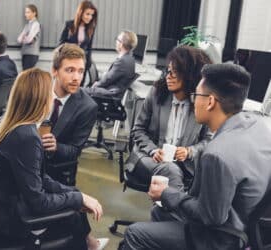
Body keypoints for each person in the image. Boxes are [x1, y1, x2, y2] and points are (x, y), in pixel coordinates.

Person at [0, 68, 108, 250]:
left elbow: (38, 176)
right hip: (9, 220)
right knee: (74, 213)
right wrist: (76, 199)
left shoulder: (11, 122)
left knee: (73, 195)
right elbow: (38, 203)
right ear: (42, 99)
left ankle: (89, 243)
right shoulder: (26, 137)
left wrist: (76, 195)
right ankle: (88, 245)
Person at [122, 63, 271, 250]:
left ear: (210, 102)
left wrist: (166, 193)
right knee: (160, 213)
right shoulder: (259, 127)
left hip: (219, 239)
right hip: (248, 226)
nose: (193, 101)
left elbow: (209, 217)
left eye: (196, 95)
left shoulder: (216, 154)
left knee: (134, 234)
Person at [0, 43, 97, 186]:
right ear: (55, 70)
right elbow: (5, 121)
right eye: (70, 70)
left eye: (81, 71)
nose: (77, 78)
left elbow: (75, 151)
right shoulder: (37, 89)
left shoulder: (87, 107)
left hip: (52, 173)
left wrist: (56, 147)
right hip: (20, 165)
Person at [125, 45, 212, 190]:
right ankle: (174, 208)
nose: (169, 76)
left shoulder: (201, 103)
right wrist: (153, 150)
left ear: (190, 74)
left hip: (185, 164)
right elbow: (138, 130)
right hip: (148, 157)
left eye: (175, 72)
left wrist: (189, 151)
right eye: (168, 70)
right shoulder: (156, 93)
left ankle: (165, 209)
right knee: (170, 171)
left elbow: (208, 140)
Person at [84, 30, 137, 98]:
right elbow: (111, 76)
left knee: (81, 91)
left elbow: (108, 79)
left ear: (121, 44)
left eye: (117, 40)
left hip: (111, 92)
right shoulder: (130, 58)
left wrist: (96, 85)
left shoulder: (122, 61)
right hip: (114, 88)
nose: (116, 42)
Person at [59, 0, 98, 85]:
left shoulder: (91, 28)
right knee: (67, 85)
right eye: (87, 14)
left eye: (92, 15)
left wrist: (88, 64)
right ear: (80, 13)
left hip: (81, 63)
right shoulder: (69, 24)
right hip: (69, 60)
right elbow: (61, 43)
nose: (90, 17)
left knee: (78, 86)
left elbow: (89, 47)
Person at [17, 4, 41, 70]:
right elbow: (19, 39)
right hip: (25, 54)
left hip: (31, 55)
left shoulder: (36, 24)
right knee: (25, 75)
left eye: (28, 12)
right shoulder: (27, 25)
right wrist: (25, 37)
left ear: (34, 13)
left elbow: (29, 40)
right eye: (25, 12)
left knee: (27, 76)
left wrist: (24, 38)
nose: (25, 14)